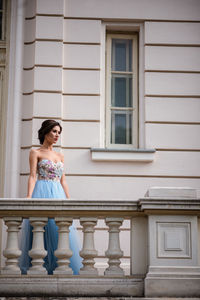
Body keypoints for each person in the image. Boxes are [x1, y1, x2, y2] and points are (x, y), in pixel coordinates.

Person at [19, 119, 82, 275]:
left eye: (59, 132)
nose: (57, 135)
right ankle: (40, 268)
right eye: (54, 131)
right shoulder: (36, 152)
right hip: (41, 190)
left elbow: (63, 180)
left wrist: (68, 199)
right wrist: (28, 196)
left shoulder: (60, 156)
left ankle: (56, 269)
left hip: (58, 192)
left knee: (57, 230)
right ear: (45, 132)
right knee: (41, 229)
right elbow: (33, 176)